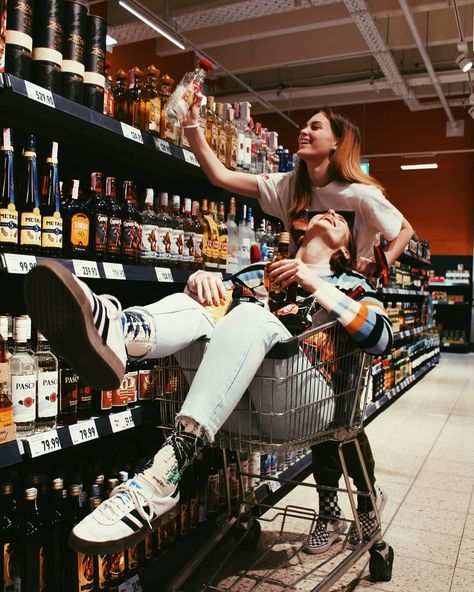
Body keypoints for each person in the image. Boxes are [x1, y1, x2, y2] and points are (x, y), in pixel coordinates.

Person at [24, 210, 392, 555]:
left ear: (345, 249)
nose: (330, 214)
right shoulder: (255, 274)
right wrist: (200, 285)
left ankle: (163, 470)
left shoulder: (351, 284)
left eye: (341, 221)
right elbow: (205, 315)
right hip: (235, 409)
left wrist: (312, 280)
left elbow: (381, 339)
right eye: (321, 213)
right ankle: (119, 333)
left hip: (304, 407)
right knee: (199, 306)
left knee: (249, 314)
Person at [182, 103, 412, 553]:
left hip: (340, 303)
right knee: (319, 415)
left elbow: (404, 228)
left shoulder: (358, 195)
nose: (303, 130)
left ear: (336, 142)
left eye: (315, 126)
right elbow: (221, 177)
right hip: (294, 300)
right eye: (305, 124)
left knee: (341, 421)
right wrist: (191, 129)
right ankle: (333, 507)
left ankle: (361, 503)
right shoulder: (290, 185)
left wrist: (373, 267)